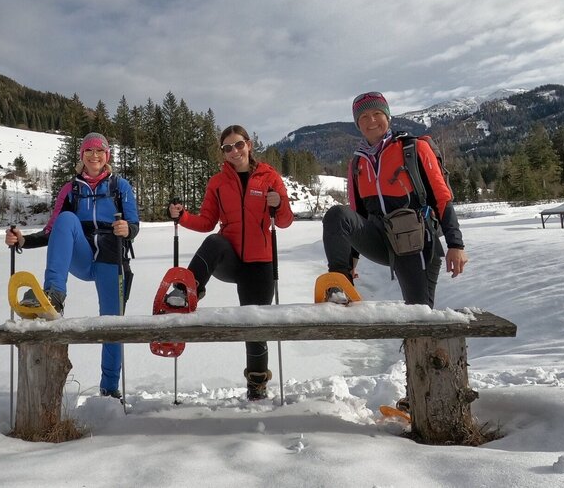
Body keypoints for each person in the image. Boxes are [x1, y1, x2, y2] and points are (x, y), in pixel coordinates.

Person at [5, 132, 139, 400]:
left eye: (100, 151)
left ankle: (110, 389)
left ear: (107, 156)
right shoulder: (71, 189)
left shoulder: (120, 186)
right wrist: (23, 240)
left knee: (111, 324)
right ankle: (54, 294)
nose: (94, 155)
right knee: (67, 219)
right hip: (83, 255)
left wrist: (127, 228)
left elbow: (134, 224)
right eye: (88, 151)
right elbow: (53, 230)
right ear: (81, 156)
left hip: (111, 260)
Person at [167, 124, 293, 401]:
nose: (234, 151)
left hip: (260, 264)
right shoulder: (218, 182)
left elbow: (284, 221)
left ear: (248, 144)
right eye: (227, 148)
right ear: (222, 153)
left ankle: (257, 384)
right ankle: (186, 291)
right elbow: (207, 222)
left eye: (238, 145)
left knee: (255, 325)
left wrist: (279, 202)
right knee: (214, 240)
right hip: (230, 259)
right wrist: (182, 216)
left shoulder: (270, 177)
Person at [321, 91, 468, 307]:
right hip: (381, 239)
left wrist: (456, 244)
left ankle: (421, 337)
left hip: (416, 243)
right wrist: (351, 260)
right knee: (338, 215)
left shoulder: (414, 148)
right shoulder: (357, 164)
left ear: (388, 117)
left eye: (377, 113)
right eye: (363, 117)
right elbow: (357, 214)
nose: (371, 121)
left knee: (419, 315)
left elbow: (442, 197)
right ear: (357, 124)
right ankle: (339, 284)